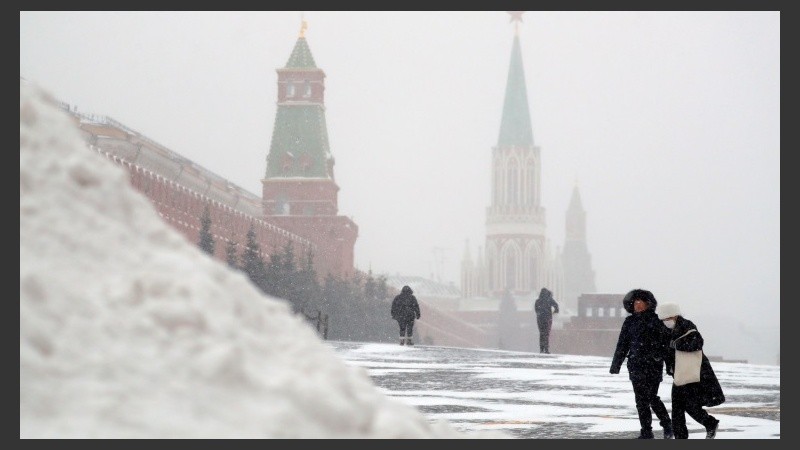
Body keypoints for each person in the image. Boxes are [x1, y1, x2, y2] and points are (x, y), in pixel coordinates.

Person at [609, 288, 674, 439]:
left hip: (653, 365)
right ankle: (646, 431)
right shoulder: (629, 322)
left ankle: (667, 424)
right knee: (640, 401)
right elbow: (622, 344)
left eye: (641, 302)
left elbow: (666, 345)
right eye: (635, 302)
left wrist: (670, 364)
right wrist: (616, 364)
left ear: (648, 303)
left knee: (652, 397)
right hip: (636, 366)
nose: (638, 305)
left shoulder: (657, 321)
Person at [658, 303, 725, 439]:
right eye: (663, 320)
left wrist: (677, 344)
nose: (666, 322)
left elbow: (697, 343)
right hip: (679, 374)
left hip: (693, 373)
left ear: (675, 315)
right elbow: (666, 351)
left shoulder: (687, 326)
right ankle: (681, 437)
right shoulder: (664, 330)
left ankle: (710, 423)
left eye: (668, 318)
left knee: (690, 406)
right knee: (677, 409)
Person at [533, 288, 559, 353]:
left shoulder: (538, 301)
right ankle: (546, 349)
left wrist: (539, 314)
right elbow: (556, 305)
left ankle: (541, 349)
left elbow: (536, 310)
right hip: (548, 319)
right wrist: (555, 311)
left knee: (541, 333)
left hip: (540, 319)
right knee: (546, 334)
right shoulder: (549, 299)